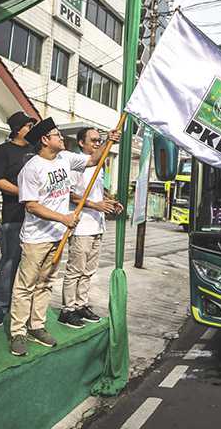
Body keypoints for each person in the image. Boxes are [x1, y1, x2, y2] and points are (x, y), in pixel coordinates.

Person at [8, 118, 119, 356]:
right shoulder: (32, 168)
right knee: (25, 285)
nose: (61, 138)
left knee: (46, 283)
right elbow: (32, 206)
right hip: (36, 237)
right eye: (57, 135)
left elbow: (93, 160)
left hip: (58, 235)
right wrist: (63, 219)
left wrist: (108, 140)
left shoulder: (65, 158)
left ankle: (36, 326)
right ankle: (18, 331)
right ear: (45, 140)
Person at [59, 127, 122, 329]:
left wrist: (110, 201)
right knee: (75, 270)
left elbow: (95, 193)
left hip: (97, 224)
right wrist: (96, 205)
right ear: (81, 142)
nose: (96, 143)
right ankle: (67, 309)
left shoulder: (99, 166)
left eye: (99, 140)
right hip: (81, 226)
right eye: (93, 140)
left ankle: (81, 304)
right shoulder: (75, 163)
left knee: (89, 270)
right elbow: (68, 194)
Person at [0, 112, 37, 327]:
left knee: (32, 266)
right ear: (18, 129)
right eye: (28, 126)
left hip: (37, 219)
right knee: (9, 262)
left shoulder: (36, 151)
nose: (32, 130)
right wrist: (23, 192)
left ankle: (26, 310)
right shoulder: (4, 151)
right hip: (14, 216)